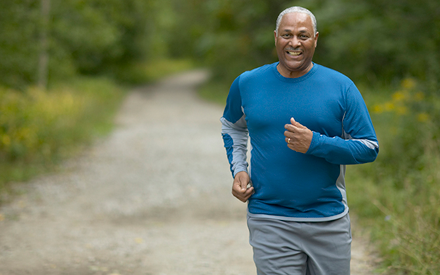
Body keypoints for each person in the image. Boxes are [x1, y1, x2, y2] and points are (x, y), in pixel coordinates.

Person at [220, 6, 379, 275]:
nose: (294, 43)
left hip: (327, 219)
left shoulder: (341, 86)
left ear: (315, 39)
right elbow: (232, 127)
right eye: (287, 35)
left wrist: (316, 144)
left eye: (303, 36)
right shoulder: (247, 83)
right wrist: (239, 170)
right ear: (276, 37)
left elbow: (368, 147)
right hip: (269, 217)